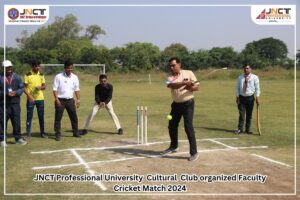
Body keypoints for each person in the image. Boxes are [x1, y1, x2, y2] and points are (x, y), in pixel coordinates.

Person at [162, 57, 199, 161]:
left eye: (173, 65)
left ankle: (194, 152)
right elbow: (170, 85)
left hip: (188, 104)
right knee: (171, 125)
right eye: (170, 66)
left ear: (179, 64)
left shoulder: (189, 73)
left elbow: (197, 87)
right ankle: (174, 146)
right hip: (176, 104)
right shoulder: (169, 76)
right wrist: (184, 83)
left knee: (188, 127)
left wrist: (190, 87)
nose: (171, 67)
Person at [0, 60, 27, 146]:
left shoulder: (17, 77)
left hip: (15, 103)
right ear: (3, 68)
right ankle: (2, 140)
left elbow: (22, 88)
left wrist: (16, 92)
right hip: (3, 104)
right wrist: (6, 93)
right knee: (2, 122)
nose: (9, 69)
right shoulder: (0, 77)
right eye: (7, 68)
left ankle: (18, 138)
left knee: (16, 121)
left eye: (10, 67)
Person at [53, 61, 81, 141]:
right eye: (68, 68)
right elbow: (55, 89)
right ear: (65, 68)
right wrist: (56, 99)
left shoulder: (75, 77)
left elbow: (77, 89)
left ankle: (75, 132)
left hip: (70, 100)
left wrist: (78, 99)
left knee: (74, 118)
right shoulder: (58, 76)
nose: (70, 69)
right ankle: (57, 134)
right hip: (60, 100)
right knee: (58, 118)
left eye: (71, 68)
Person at [24, 60, 47, 139]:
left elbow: (44, 86)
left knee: (41, 117)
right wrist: (29, 96)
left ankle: (42, 133)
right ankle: (27, 134)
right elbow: (24, 88)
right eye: (36, 66)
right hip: (31, 99)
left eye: (39, 66)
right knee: (29, 117)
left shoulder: (41, 75)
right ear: (32, 66)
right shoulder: (28, 75)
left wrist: (41, 87)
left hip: (40, 99)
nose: (38, 68)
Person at [235, 64, 260, 134]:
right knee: (241, 114)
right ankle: (240, 129)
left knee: (249, 115)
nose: (246, 69)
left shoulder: (255, 77)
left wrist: (257, 97)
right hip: (241, 97)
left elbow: (257, 88)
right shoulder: (240, 77)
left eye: (247, 68)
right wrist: (237, 97)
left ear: (250, 69)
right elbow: (237, 88)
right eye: (245, 68)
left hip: (250, 98)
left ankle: (248, 129)